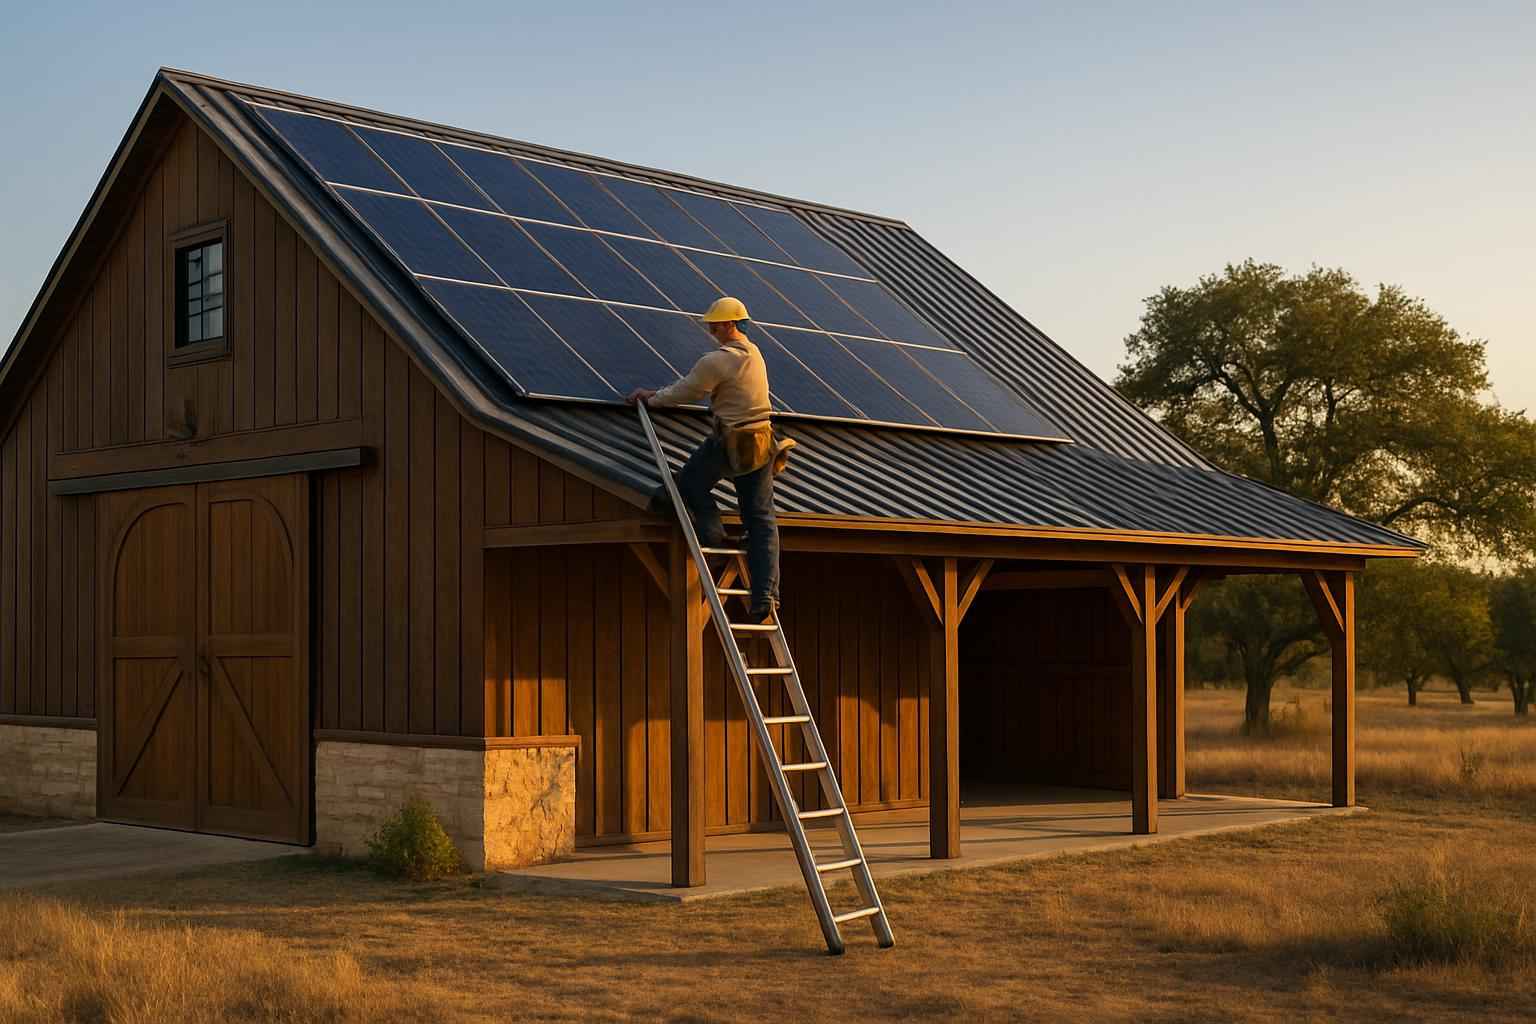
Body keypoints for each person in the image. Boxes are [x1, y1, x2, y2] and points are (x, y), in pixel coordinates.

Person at [627, 297, 789, 623]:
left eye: (716, 324)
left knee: (688, 484)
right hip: (761, 443)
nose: (711, 329)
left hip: (730, 440)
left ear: (730, 324)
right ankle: (765, 598)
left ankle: (712, 532)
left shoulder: (717, 361)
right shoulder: (754, 354)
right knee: (760, 521)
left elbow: (687, 391)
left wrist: (652, 398)